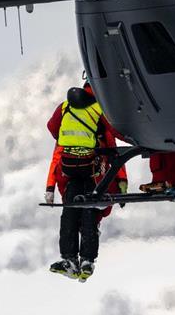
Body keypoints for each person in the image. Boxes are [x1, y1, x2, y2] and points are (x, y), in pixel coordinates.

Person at [45, 81, 126, 282]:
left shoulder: (65, 106)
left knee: (69, 214)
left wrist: (50, 187)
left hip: (70, 170)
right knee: (90, 213)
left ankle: (68, 259)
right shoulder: (100, 107)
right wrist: (122, 180)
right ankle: (87, 260)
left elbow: (52, 128)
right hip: (93, 172)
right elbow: (115, 138)